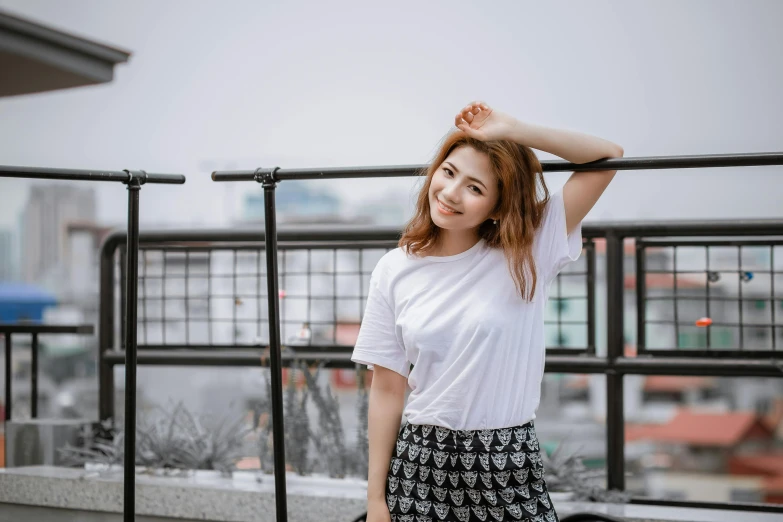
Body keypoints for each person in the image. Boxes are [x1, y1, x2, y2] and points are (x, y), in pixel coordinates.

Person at [351, 101, 623, 522]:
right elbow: (387, 389)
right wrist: (375, 501)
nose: (451, 193)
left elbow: (606, 158)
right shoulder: (394, 268)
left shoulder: (529, 249)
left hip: (508, 459)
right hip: (421, 463)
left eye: (475, 188)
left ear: (497, 206)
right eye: (448, 172)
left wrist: (515, 130)